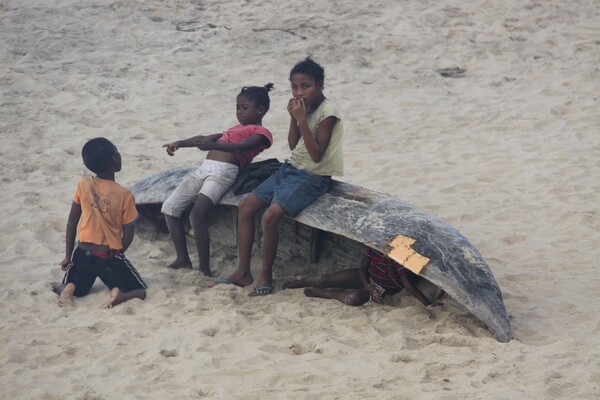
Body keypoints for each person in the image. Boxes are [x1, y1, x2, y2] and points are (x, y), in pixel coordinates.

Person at [213, 57, 344, 296]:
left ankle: (265, 276)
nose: (299, 92)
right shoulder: (303, 109)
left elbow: (316, 155)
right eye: (295, 87)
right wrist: (294, 119)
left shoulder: (328, 113)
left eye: (306, 86)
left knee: (271, 215)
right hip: (292, 168)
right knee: (246, 206)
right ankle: (243, 271)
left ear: (320, 84)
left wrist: (302, 119)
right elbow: (295, 145)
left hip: (314, 176)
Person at [161, 84, 274, 276]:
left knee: (197, 214)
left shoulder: (261, 133)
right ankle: (183, 258)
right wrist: (179, 143)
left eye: (244, 108)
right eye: (237, 107)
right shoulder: (233, 129)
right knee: (169, 208)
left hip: (224, 173)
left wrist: (212, 145)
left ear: (260, 110)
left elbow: (241, 148)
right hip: (204, 169)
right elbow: (202, 138)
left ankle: (204, 268)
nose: (239, 111)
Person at [53, 137, 147, 308]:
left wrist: (68, 256)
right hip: (107, 256)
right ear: (113, 159)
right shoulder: (124, 195)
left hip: (82, 252)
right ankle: (119, 293)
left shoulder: (83, 184)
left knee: (78, 287)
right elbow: (129, 235)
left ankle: (68, 289)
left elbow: (71, 223)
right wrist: (117, 255)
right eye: (117, 151)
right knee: (140, 290)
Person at [282, 247, 434, 307]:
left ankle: (326, 293)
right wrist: (367, 284)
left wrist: (427, 303)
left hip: (382, 288)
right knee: (321, 279)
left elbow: (407, 285)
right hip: (367, 277)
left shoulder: (398, 256)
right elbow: (363, 268)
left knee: (353, 298)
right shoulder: (373, 247)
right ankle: (291, 284)